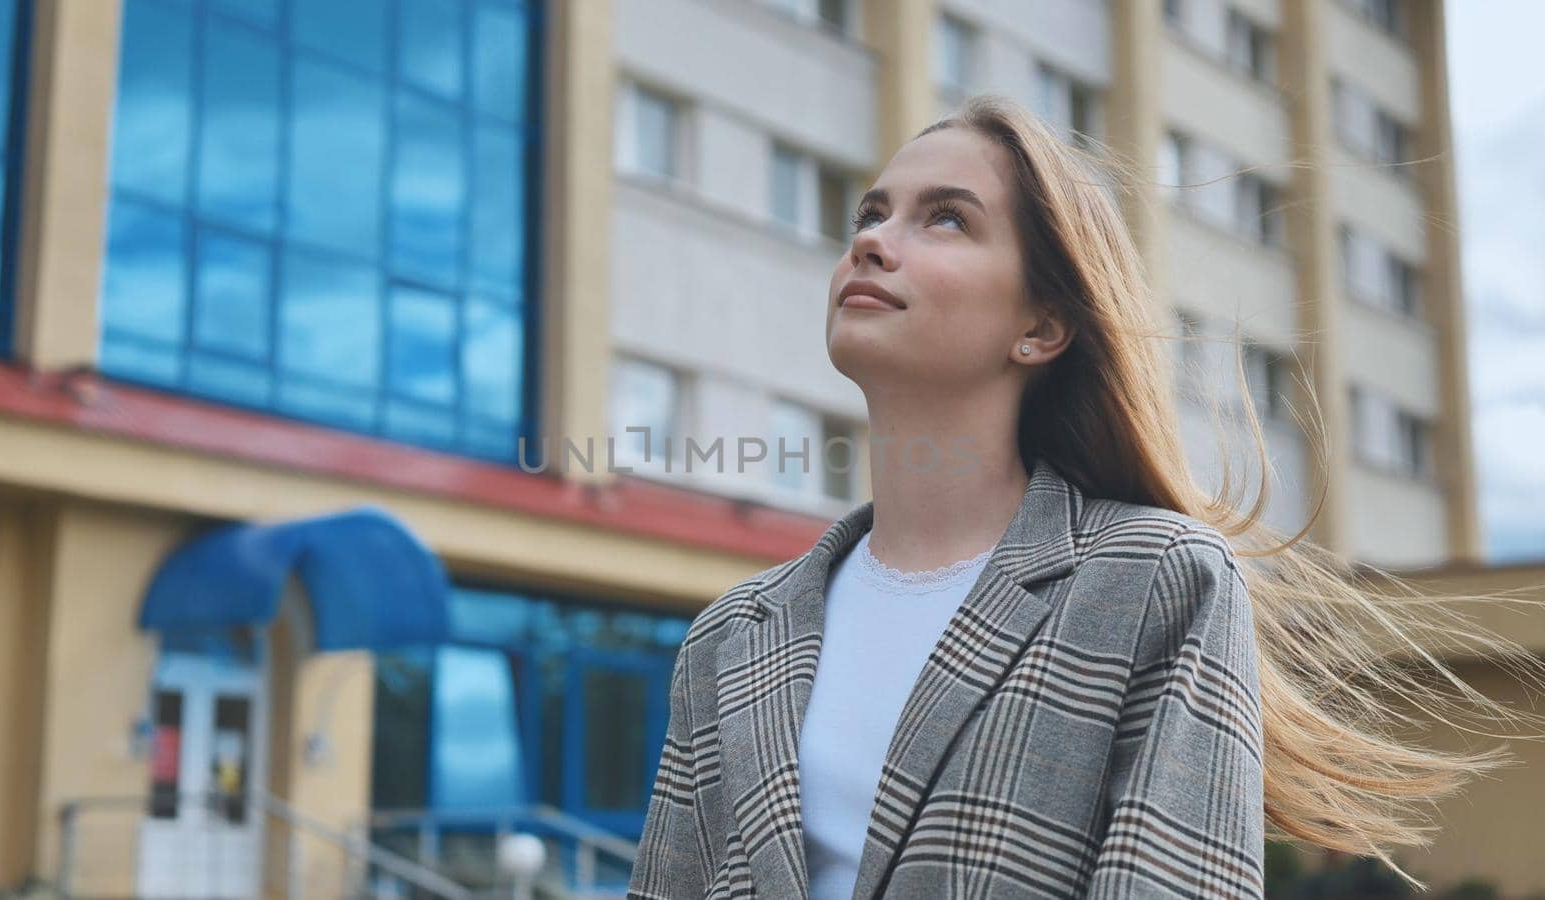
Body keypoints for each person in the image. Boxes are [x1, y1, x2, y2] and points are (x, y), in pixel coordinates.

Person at [628, 94, 1543, 900]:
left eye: (944, 220)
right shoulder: (732, 636)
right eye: (873, 213)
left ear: (1042, 325)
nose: (872, 239)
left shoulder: (1154, 581)